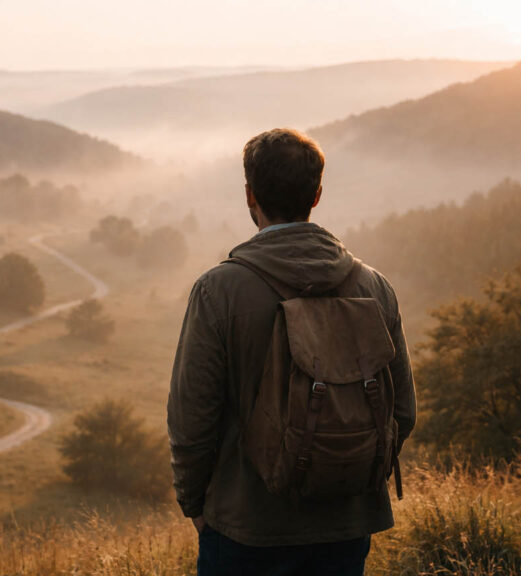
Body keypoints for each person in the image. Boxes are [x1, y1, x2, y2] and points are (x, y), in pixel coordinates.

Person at [167, 128, 417, 576]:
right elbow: (403, 411)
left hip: (244, 528)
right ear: (317, 195)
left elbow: (191, 420)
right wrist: (348, 475)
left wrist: (195, 506)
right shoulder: (374, 287)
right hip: (346, 526)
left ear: (250, 195)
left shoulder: (219, 291)